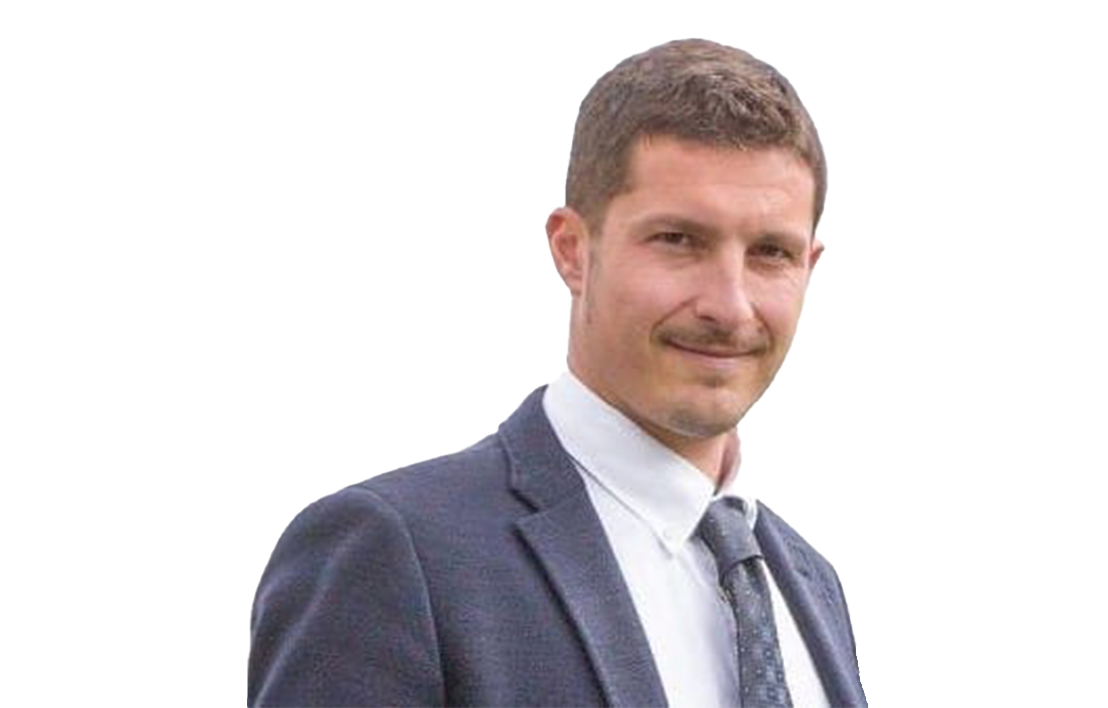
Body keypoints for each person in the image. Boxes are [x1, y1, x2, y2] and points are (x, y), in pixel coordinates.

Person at [249, 38, 868, 708]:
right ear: (572, 250)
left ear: (810, 265)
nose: (730, 305)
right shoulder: (394, 554)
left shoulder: (810, 585)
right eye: (678, 241)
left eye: (770, 253)